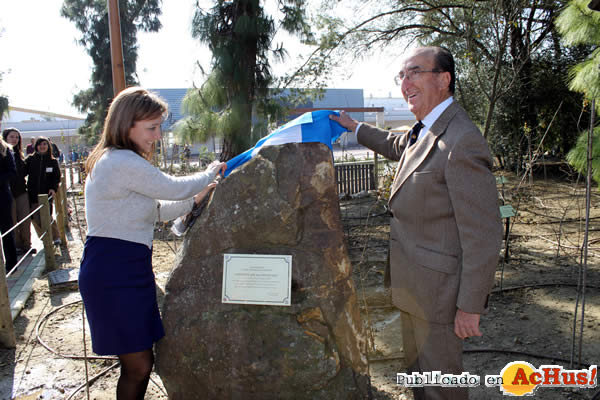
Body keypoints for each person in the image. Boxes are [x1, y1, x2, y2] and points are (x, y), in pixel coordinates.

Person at [331, 46, 502, 400]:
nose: (405, 82)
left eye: (414, 72)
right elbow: (399, 146)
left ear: (443, 79)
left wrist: (469, 306)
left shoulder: (461, 140)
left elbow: (483, 234)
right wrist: (355, 127)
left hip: (441, 297)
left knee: (441, 385)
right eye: (401, 76)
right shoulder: (425, 129)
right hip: (414, 286)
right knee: (418, 377)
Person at [78, 87, 226, 400]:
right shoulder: (119, 162)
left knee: (139, 363)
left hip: (129, 268)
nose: (158, 135)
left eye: (159, 127)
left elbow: (157, 209)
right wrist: (209, 172)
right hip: (113, 271)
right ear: (125, 124)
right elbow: (170, 188)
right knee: (139, 366)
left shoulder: (120, 162)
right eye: (151, 128)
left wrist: (196, 198)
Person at [25, 136, 62, 246]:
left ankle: (56, 237)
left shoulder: (52, 161)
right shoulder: (30, 160)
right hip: (32, 193)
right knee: (35, 218)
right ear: (36, 146)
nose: (42, 146)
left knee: (47, 216)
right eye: (40, 144)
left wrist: (53, 188)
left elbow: (56, 177)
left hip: (46, 194)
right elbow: (22, 172)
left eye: (45, 144)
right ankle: (45, 239)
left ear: (48, 146)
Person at [2, 128, 33, 255]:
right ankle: (17, 246)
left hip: (21, 191)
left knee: (25, 220)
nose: (14, 139)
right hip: (7, 192)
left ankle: (27, 245)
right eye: (11, 137)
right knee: (12, 221)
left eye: (16, 137)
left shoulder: (20, 154)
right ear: (5, 138)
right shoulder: (3, 153)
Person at [0, 136, 18, 273]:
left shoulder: (5, 149)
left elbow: (12, 172)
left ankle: (11, 265)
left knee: (6, 231)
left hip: (2, 196)